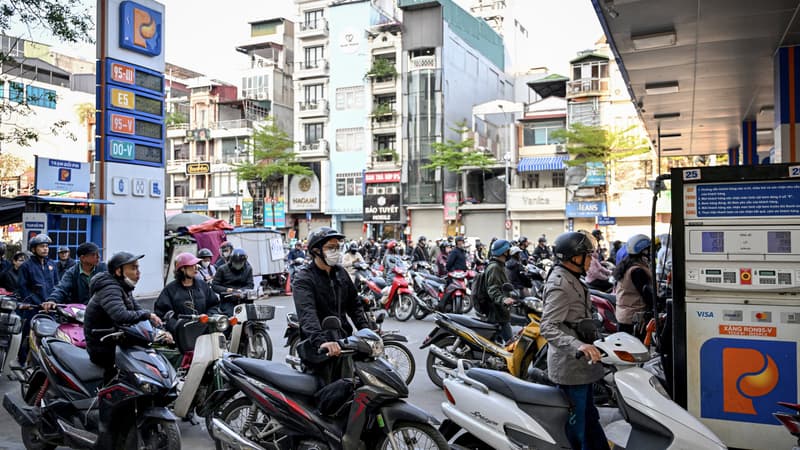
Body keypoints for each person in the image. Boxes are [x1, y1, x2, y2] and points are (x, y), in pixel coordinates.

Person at [540, 231, 608, 450]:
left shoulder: (572, 278)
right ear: (573, 257)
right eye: (588, 256)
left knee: (590, 421)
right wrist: (579, 346)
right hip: (571, 369)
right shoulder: (561, 283)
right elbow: (548, 327)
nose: (591, 260)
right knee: (577, 430)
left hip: (583, 367)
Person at [292, 227, 371, 384]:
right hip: (320, 350)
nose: (336, 251)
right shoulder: (304, 279)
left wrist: (367, 331)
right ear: (316, 250)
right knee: (326, 399)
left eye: (337, 247)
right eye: (330, 247)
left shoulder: (340, 273)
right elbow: (308, 314)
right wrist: (321, 342)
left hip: (344, 343)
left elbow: (354, 306)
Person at [84, 252, 163, 381]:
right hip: (102, 347)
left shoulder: (124, 287)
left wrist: (155, 324)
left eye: (138, 268)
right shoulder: (109, 288)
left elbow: (137, 309)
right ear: (119, 271)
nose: (138, 272)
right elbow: (120, 315)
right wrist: (146, 315)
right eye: (133, 268)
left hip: (118, 341)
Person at [17, 234, 60, 362]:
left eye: (47, 246)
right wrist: (35, 303)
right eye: (42, 246)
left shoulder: (52, 264)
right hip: (33, 308)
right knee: (27, 337)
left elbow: (57, 285)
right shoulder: (26, 266)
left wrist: (54, 301)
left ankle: (46, 363)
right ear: (34, 249)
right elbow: (23, 288)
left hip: (50, 309)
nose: (45, 249)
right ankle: (22, 363)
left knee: (51, 336)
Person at [155, 252, 220, 335]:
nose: (196, 268)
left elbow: (214, 304)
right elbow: (163, 313)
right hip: (182, 336)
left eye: (196, 264)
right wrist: (177, 327)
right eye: (192, 265)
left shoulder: (203, 286)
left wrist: (207, 318)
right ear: (182, 268)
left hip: (204, 332)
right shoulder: (170, 289)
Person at [613, 234, 654, 339]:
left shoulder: (627, 264)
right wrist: (657, 302)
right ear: (643, 250)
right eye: (648, 249)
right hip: (634, 318)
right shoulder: (637, 270)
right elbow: (646, 293)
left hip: (624, 317)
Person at [42, 242, 106, 310]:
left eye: (98, 254)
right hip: (80, 312)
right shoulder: (72, 272)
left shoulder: (104, 269)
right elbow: (62, 288)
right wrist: (52, 300)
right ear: (83, 258)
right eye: (94, 254)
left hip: (102, 310)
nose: (99, 257)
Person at [484, 239, 515, 342]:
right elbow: (492, 289)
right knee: (510, 343)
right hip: (497, 313)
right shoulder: (495, 267)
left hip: (501, 312)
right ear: (504, 252)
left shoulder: (500, 266)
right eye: (508, 251)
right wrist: (503, 299)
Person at [212, 248, 254, 316]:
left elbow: (250, 285)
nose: (238, 265)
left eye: (240, 263)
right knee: (231, 318)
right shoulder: (222, 269)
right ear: (231, 261)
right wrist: (227, 290)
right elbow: (215, 285)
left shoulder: (248, 269)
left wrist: (241, 291)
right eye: (236, 263)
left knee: (252, 317)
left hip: (244, 299)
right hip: (227, 300)